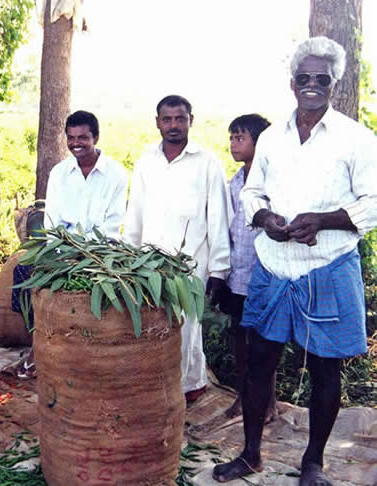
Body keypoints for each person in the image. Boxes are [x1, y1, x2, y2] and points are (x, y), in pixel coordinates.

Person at [212, 37, 377, 485]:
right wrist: (264, 218)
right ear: (292, 83)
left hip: (328, 265)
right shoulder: (271, 139)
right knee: (259, 361)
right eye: (304, 77)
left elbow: (372, 202)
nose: (312, 85)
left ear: (334, 83)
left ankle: (313, 464)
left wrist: (325, 220)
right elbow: (252, 192)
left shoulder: (357, 139)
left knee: (325, 367)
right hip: (273, 266)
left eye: (322, 78)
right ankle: (250, 455)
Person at [124, 94, 230, 403]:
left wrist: (219, 270)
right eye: (167, 119)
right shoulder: (146, 161)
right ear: (157, 122)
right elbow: (135, 213)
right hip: (149, 263)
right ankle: (169, 386)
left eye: (180, 119)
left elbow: (219, 217)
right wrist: (129, 257)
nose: (173, 125)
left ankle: (184, 390)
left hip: (191, 261)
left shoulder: (207, 162)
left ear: (190, 121)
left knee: (187, 326)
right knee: (155, 324)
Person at [13, 110, 129, 378]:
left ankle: (87, 351)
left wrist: (85, 254)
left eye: (83, 137)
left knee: (105, 290)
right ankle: (38, 343)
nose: (77, 143)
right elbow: (52, 220)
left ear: (95, 137)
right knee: (23, 273)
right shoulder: (60, 173)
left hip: (100, 251)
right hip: (61, 249)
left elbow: (113, 224)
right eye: (71, 138)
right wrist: (58, 253)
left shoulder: (116, 174)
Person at [219, 113, 277, 420]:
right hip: (238, 274)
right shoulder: (235, 182)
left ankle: (268, 402)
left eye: (240, 138)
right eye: (231, 138)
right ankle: (243, 397)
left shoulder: (273, 182)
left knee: (265, 341)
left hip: (264, 273)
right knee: (240, 339)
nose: (233, 144)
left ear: (260, 143)